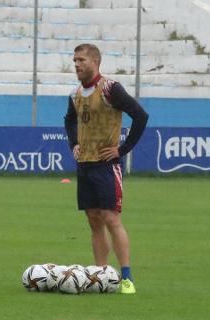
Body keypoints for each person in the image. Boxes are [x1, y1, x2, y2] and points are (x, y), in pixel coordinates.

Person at [64, 44, 148, 294]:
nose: (76, 64)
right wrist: (74, 144)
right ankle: (101, 275)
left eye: (81, 60)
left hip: (107, 165)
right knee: (94, 220)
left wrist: (122, 150)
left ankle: (126, 277)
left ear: (95, 62)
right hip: (85, 165)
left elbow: (140, 116)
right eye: (74, 60)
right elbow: (69, 119)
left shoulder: (111, 88)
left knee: (111, 218)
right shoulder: (75, 92)